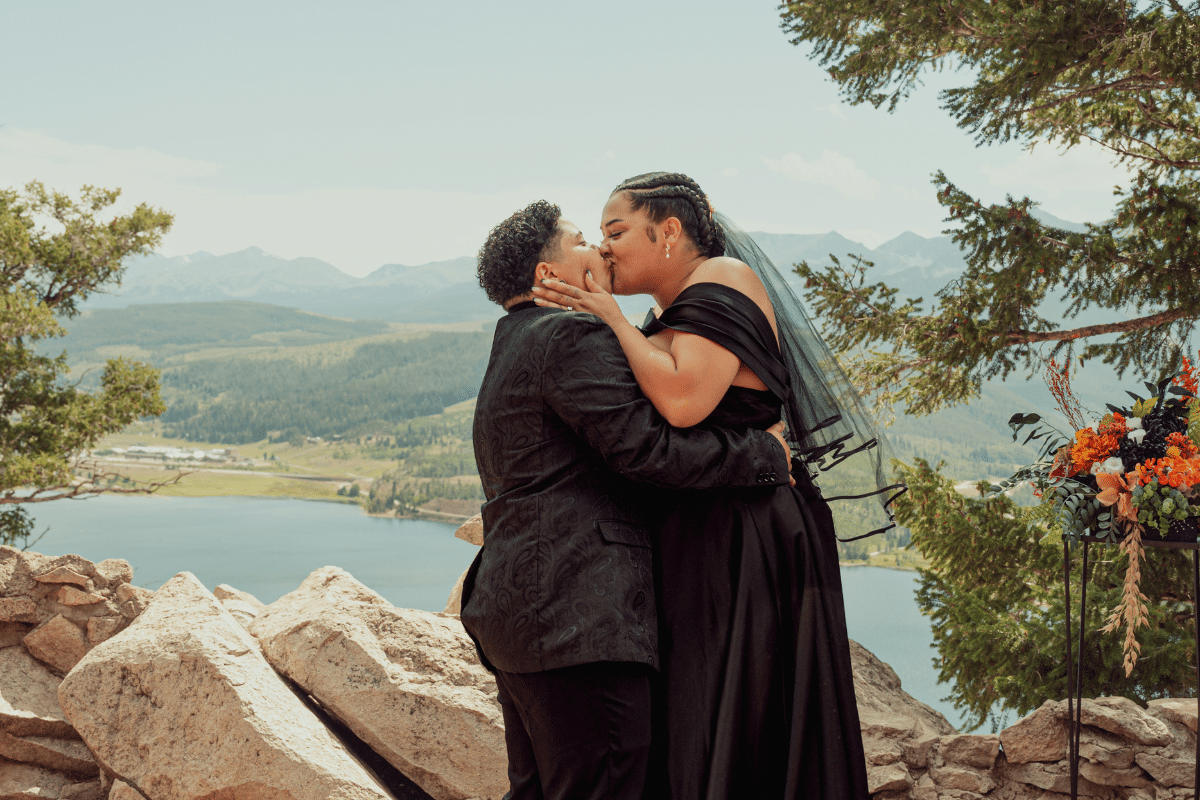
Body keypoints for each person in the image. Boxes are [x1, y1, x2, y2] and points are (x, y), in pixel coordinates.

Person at [532, 172, 890, 799]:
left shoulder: (724, 277)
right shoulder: (664, 311)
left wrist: (612, 317)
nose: (606, 247)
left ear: (668, 230)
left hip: (745, 533)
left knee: (737, 711)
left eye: (617, 231)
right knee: (697, 713)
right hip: (699, 529)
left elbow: (683, 402)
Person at [459, 199, 796, 800]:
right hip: (576, 619)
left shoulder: (514, 338)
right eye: (585, 239)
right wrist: (768, 454)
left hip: (518, 615)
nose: (602, 249)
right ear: (548, 276)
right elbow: (650, 451)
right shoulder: (567, 336)